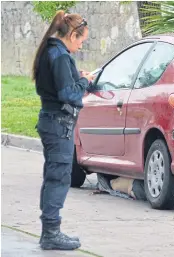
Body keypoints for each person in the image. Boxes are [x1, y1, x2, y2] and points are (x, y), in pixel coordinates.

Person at [32, 10, 94, 250]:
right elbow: (67, 94)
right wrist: (85, 82)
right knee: (58, 178)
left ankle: (50, 229)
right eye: (81, 40)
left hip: (50, 120)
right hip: (60, 124)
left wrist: (75, 77)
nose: (80, 45)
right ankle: (51, 233)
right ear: (71, 34)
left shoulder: (50, 50)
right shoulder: (60, 55)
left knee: (53, 176)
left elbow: (59, 83)